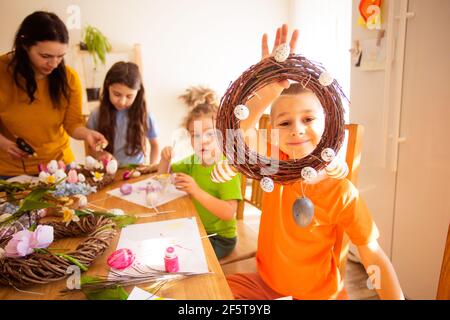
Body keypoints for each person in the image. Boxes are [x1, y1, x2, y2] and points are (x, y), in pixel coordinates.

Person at [226, 24, 404, 300]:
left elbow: (373, 256)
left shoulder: (341, 192)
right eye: (284, 122)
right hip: (265, 287)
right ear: (272, 130)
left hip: (319, 296)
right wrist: (265, 90)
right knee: (209, 293)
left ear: (328, 123)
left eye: (308, 119)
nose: (296, 129)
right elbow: (235, 137)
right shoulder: (273, 160)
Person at [0, 11, 107, 179]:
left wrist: (87, 134)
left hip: (59, 167)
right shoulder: (2, 72)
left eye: (60, 56)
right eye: (45, 56)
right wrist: (4, 144)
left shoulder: (69, 78)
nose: (54, 64)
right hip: (10, 173)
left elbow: (72, 124)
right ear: (24, 46)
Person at [158, 86, 242, 259]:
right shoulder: (194, 161)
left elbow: (228, 213)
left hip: (220, 239)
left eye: (209, 134)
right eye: (195, 135)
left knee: (181, 257)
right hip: (198, 229)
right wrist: (164, 159)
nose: (202, 141)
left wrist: (195, 190)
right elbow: (162, 179)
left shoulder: (226, 168)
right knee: (164, 242)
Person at [86, 61, 160, 166]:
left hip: (136, 172)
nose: (122, 102)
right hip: (108, 173)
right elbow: (91, 148)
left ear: (138, 93)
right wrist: (100, 154)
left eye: (129, 96)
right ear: (108, 86)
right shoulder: (96, 115)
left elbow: (155, 145)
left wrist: (152, 168)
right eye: (117, 94)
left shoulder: (145, 115)